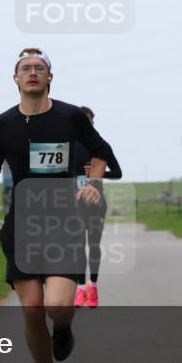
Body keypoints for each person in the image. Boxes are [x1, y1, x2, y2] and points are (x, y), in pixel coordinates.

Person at [0, 47, 119, 363]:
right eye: (25, 68)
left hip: (63, 222)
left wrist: (94, 183)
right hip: (22, 225)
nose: (32, 72)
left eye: (39, 68)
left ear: (50, 77)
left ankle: (64, 327)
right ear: (15, 78)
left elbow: (102, 152)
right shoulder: (2, 124)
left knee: (57, 305)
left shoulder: (70, 116)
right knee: (31, 309)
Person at [73, 106, 122, 309]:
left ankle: (92, 286)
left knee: (93, 244)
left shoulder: (101, 146)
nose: (87, 125)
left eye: (90, 122)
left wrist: (99, 174)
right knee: (77, 246)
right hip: (74, 203)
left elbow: (118, 172)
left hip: (96, 203)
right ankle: (80, 288)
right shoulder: (69, 147)